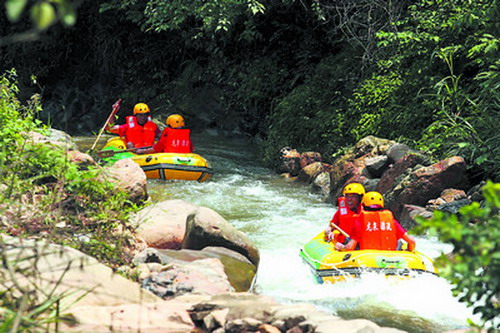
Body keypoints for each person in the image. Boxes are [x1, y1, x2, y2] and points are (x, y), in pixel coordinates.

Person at [335, 191, 416, 252]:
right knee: (399, 242)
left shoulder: (361, 221)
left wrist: (340, 247)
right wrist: (408, 251)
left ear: (363, 206)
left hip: (366, 258)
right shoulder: (392, 221)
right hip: (390, 256)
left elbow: (350, 247)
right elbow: (411, 241)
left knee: (348, 240)